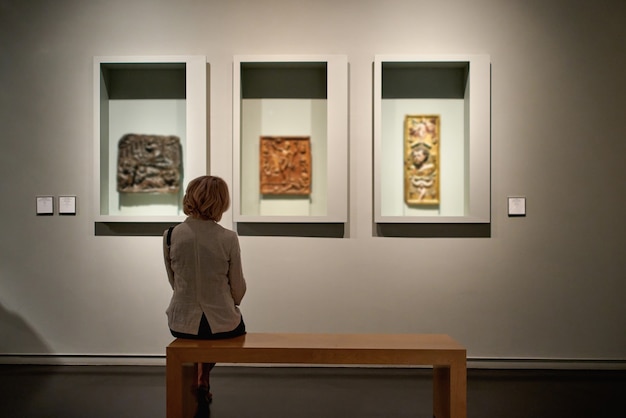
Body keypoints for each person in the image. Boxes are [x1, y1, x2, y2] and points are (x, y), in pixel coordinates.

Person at [163, 175, 247, 417]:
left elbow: (174, 281)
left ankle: (201, 377)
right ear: (221, 202)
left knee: (199, 332)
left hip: (181, 322)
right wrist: (232, 302)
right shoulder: (228, 237)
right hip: (222, 323)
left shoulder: (170, 235)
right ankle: (203, 376)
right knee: (220, 329)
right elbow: (237, 286)